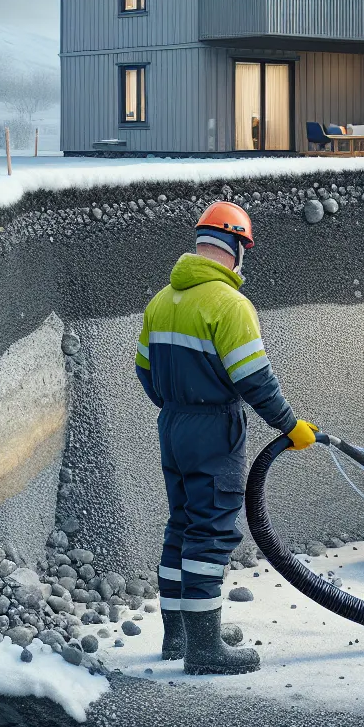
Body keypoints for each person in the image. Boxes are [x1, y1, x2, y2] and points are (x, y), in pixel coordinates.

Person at [135, 201, 319, 675]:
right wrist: (289, 426)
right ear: (236, 247)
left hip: (173, 424)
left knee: (181, 525)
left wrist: (178, 408)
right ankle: (204, 650)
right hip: (213, 427)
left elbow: (144, 372)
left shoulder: (161, 301)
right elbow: (255, 379)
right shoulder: (229, 304)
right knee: (211, 532)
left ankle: (180, 636)